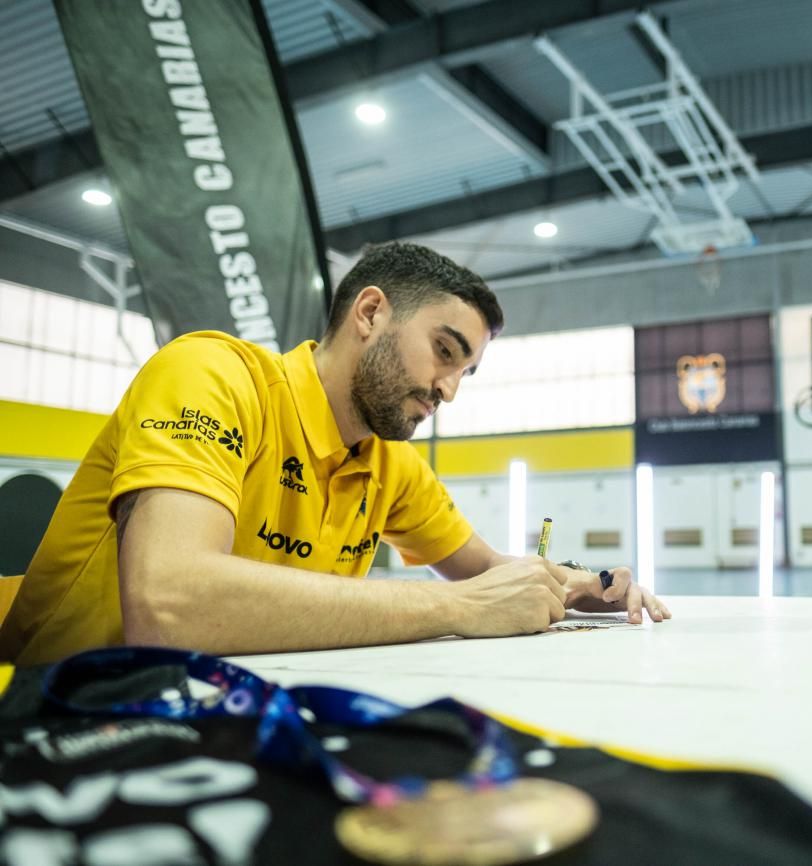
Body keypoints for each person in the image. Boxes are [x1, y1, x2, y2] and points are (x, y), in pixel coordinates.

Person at [0, 242, 669, 666]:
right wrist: (455, 610)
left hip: (236, 713)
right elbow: (169, 606)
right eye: (445, 352)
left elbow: (490, 572)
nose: (449, 390)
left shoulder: (391, 464)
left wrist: (580, 586)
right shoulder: (212, 375)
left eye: (467, 373)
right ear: (371, 313)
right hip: (58, 719)